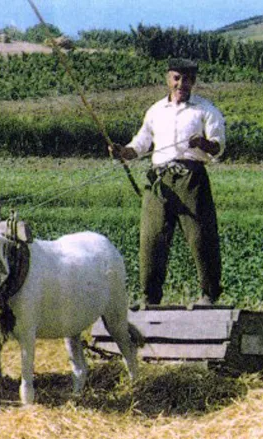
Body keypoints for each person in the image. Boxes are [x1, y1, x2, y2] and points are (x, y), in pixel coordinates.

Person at [109, 58, 225, 307]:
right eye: (176, 78)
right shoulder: (155, 111)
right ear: (168, 79)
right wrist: (122, 152)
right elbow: (140, 145)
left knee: (200, 237)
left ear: (194, 81)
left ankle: (209, 295)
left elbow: (218, 147)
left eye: (187, 79)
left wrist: (202, 143)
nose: (181, 84)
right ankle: (150, 299)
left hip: (191, 178)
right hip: (159, 180)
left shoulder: (206, 110)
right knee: (151, 239)